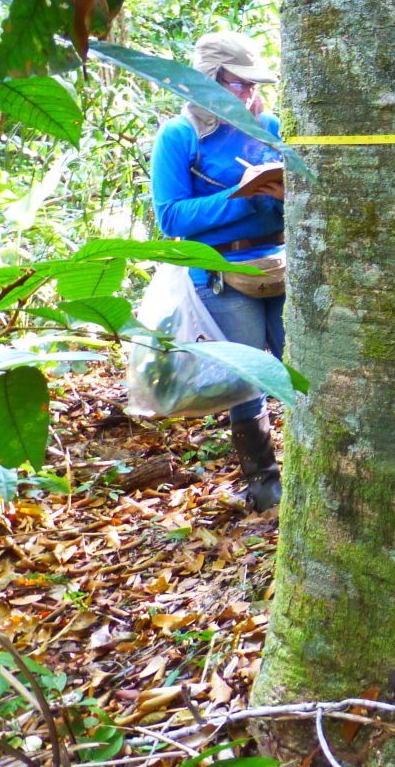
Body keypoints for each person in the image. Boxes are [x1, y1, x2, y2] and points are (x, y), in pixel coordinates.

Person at [150, 31, 285, 513]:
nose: (249, 95)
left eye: (252, 85)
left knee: (300, 367)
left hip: (281, 265)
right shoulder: (180, 136)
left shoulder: (268, 126)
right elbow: (172, 217)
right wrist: (240, 198)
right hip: (223, 275)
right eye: (237, 85)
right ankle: (264, 484)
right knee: (248, 378)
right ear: (209, 81)